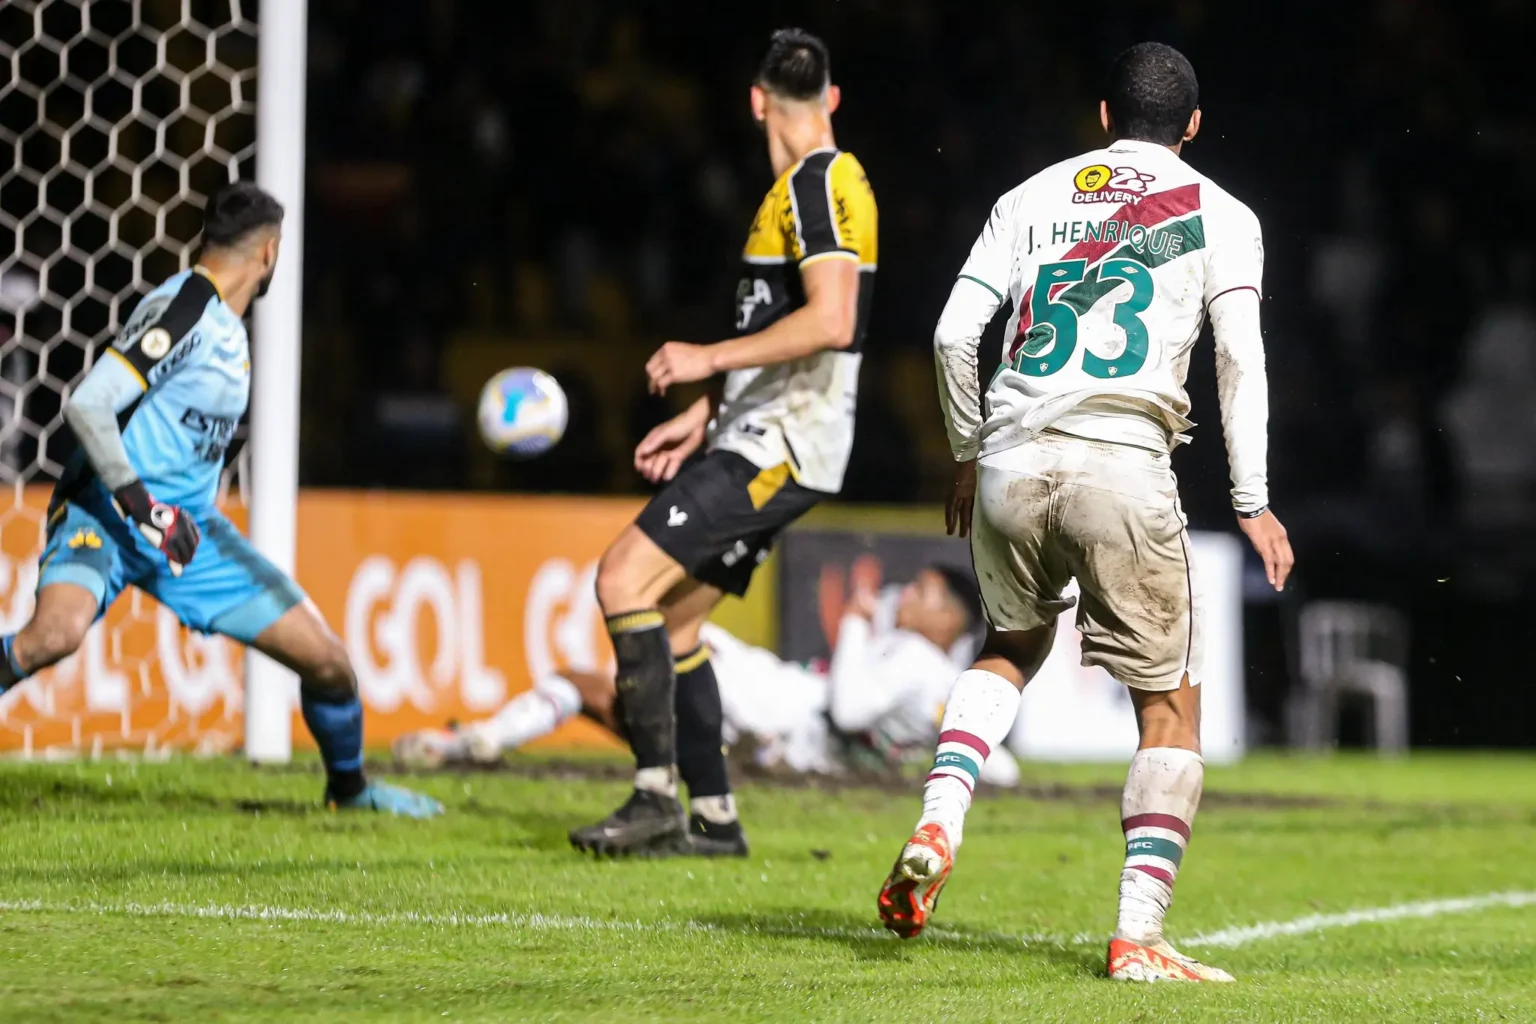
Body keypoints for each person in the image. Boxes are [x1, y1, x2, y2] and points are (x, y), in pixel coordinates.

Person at [875, 43, 1294, 982]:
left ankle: (940, 820)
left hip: (1013, 454)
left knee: (1009, 645)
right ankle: (1137, 937)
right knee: (1170, 709)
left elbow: (953, 332)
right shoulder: (1223, 215)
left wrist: (966, 447)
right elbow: (1240, 361)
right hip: (1123, 461)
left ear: (1104, 115)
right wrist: (1254, 503)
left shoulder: (1029, 197)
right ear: (1192, 125)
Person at [0, 182, 441, 817]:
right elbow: (87, 404)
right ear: (269, 253)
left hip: (187, 535)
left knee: (329, 664)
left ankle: (351, 792)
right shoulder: (185, 309)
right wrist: (143, 506)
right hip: (108, 514)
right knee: (54, 635)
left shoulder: (226, 330)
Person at [566, 29, 878, 856]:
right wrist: (708, 412)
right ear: (831, 98)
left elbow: (832, 319)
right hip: (765, 431)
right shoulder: (806, 190)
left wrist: (705, 357)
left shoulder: (817, 184)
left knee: (622, 576)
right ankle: (713, 818)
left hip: (782, 444)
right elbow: (792, 333)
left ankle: (652, 796)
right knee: (671, 624)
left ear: (755, 101)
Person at [394, 566, 1019, 846]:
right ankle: (473, 743)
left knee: (656, 646)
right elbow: (997, 765)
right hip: (774, 723)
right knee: (604, 691)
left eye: (923, 592)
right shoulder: (942, 679)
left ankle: (476, 740)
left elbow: (851, 708)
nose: (905, 595)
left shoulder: (912, 656)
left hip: (773, 711)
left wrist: (854, 624)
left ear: (947, 619)